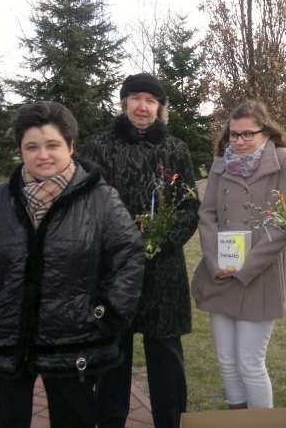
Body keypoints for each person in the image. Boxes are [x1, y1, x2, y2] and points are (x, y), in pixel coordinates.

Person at [0, 101, 144, 428]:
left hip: (74, 338)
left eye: (53, 145)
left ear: (71, 146)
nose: (43, 155)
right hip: (4, 335)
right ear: (21, 151)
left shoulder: (101, 199)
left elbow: (128, 257)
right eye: (32, 147)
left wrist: (105, 312)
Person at [82, 73, 199, 428]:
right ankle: (111, 420)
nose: (143, 106)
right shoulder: (99, 147)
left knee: (165, 355)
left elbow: (189, 207)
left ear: (160, 107)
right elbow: (85, 203)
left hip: (162, 270)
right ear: (124, 103)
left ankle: (170, 420)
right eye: (135, 98)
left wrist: (159, 241)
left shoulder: (175, 149)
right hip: (113, 269)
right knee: (113, 353)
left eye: (150, 100)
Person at [191, 100, 286, 410]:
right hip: (222, 273)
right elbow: (208, 213)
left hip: (262, 273)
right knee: (227, 360)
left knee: (250, 362)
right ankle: (237, 416)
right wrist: (217, 262)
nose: (239, 141)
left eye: (247, 134)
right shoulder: (220, 163)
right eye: (233, 135)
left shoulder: (283, 160)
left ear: (265, 132)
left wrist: (246, 267)